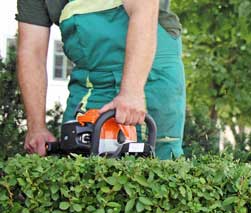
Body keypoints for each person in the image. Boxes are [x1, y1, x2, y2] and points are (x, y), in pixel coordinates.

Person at [16, 0, 186, 160]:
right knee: (79, 158)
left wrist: (132, 92)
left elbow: (144, 10)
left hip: (147, 71)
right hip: (89, 79)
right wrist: (36, 127)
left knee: (154, 165)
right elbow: (32, 52)